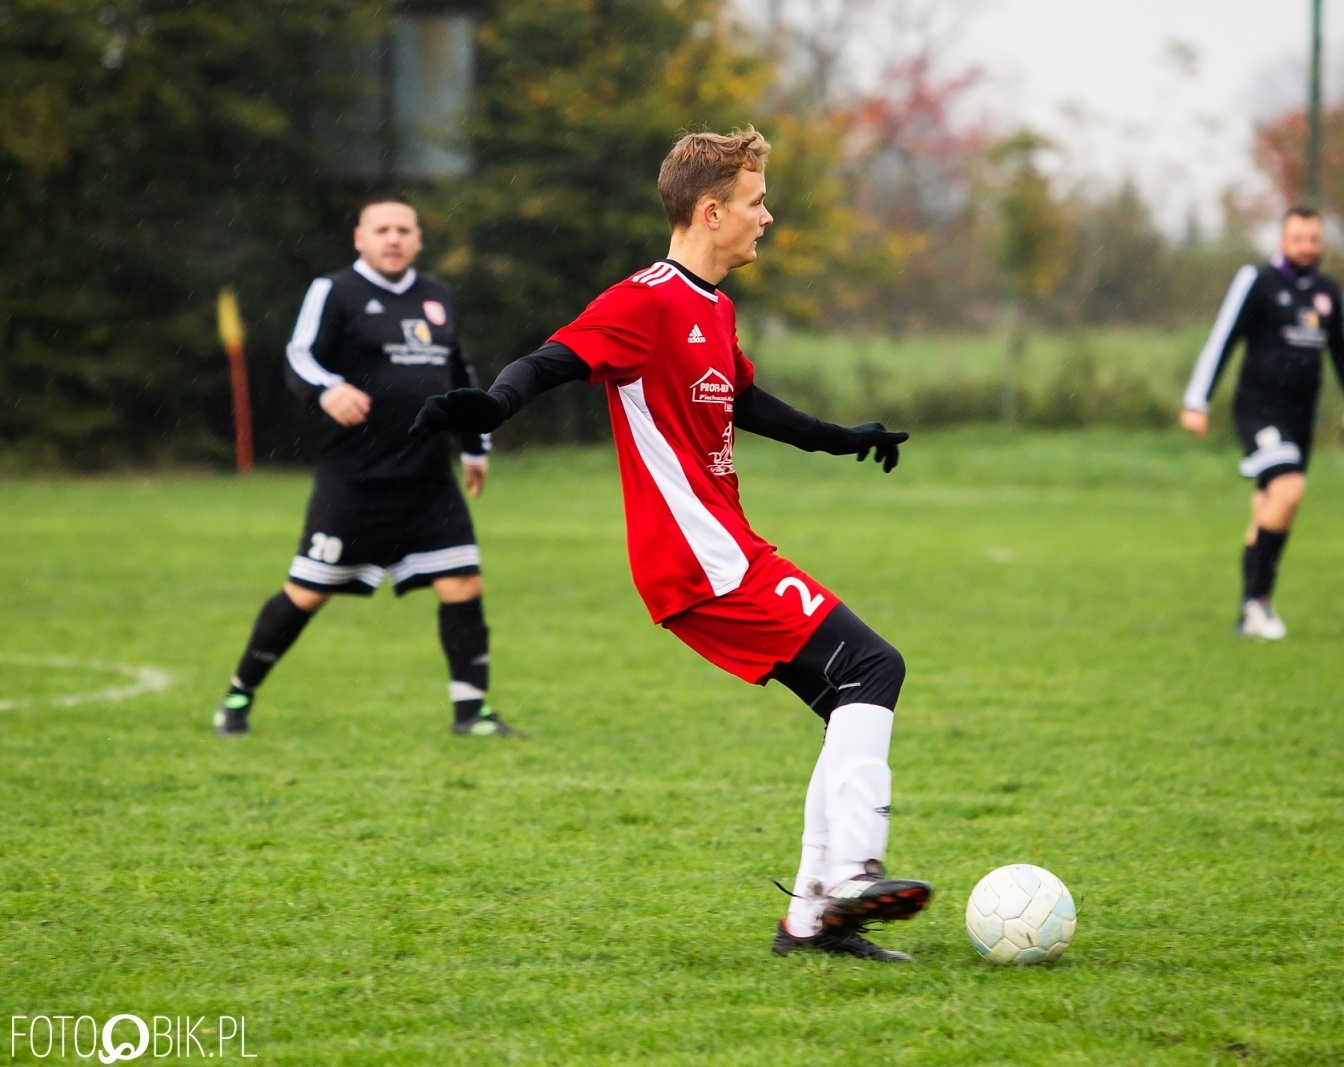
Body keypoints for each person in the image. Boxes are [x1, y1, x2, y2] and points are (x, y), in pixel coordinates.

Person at [411, 128, 933, 961]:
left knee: (850, 698)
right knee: (876, 666)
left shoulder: (713, 307)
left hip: (723, 550)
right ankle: (853, 872)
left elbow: (749, 405)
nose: (769, 217)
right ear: (711, 209)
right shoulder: (644, 299)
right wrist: (491, 406)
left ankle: (810, 924)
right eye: (758, 203)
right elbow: (552, 360)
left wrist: (842, 438)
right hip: (700, 559)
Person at [213, 195, 519, 737]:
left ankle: (472, 714)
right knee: (307, 592)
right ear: (360, 238)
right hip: (355, 480)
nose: (393, 238)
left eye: (404, 229)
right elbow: (298, 356)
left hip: (427, 479)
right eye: (382, 229)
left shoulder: (437, 296)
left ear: (419, 239)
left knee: (462, 583)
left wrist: (475, 446)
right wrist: (327, 390)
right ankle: (237, 698)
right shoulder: (334, 291)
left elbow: (458, 375)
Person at [1180, 205, 1344, 639]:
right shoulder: (1258, 282)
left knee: (1270, 510)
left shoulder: (1328, 292)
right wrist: (1198, 400)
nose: (1307, 248)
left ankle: (1249, 613)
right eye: (1298, 239)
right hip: (1259, 409)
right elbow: (1223, 338)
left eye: (1314, 240)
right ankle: (1258, 604)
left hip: (1300, 415)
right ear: (1282, 241)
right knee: (1289, 490)